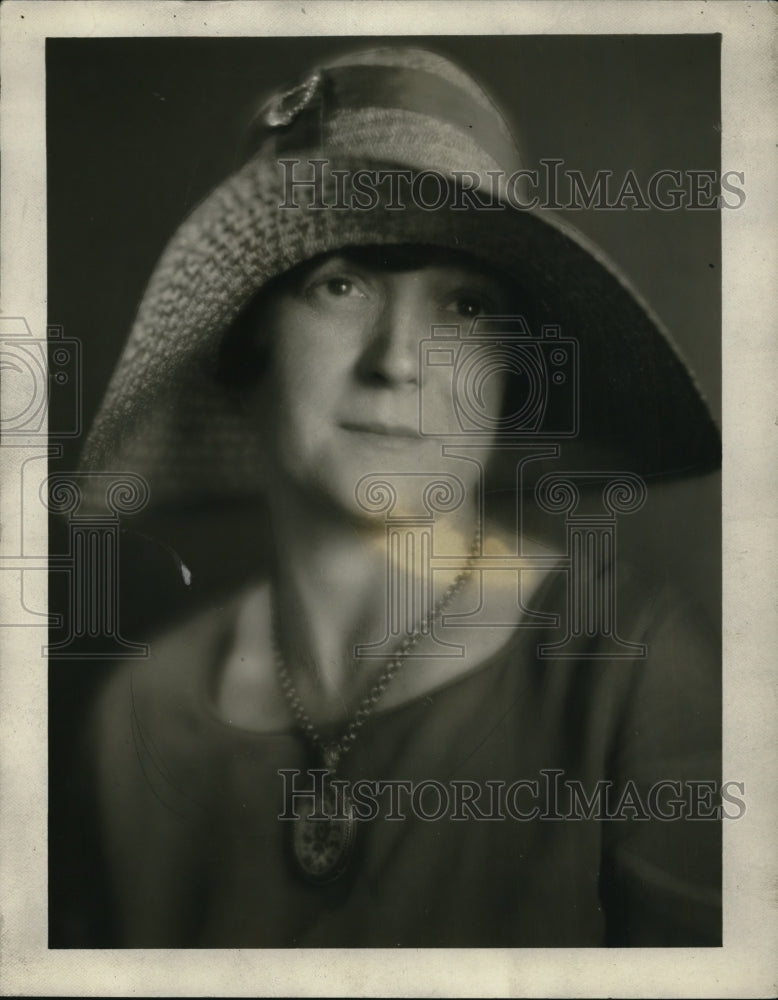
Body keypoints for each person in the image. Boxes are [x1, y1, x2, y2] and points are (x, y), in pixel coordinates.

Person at [71, 46, 721, 947]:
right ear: (247, 345)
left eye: (465, 308)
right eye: (339, 285)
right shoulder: (137, 714)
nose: (399, 360)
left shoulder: (639, 675)